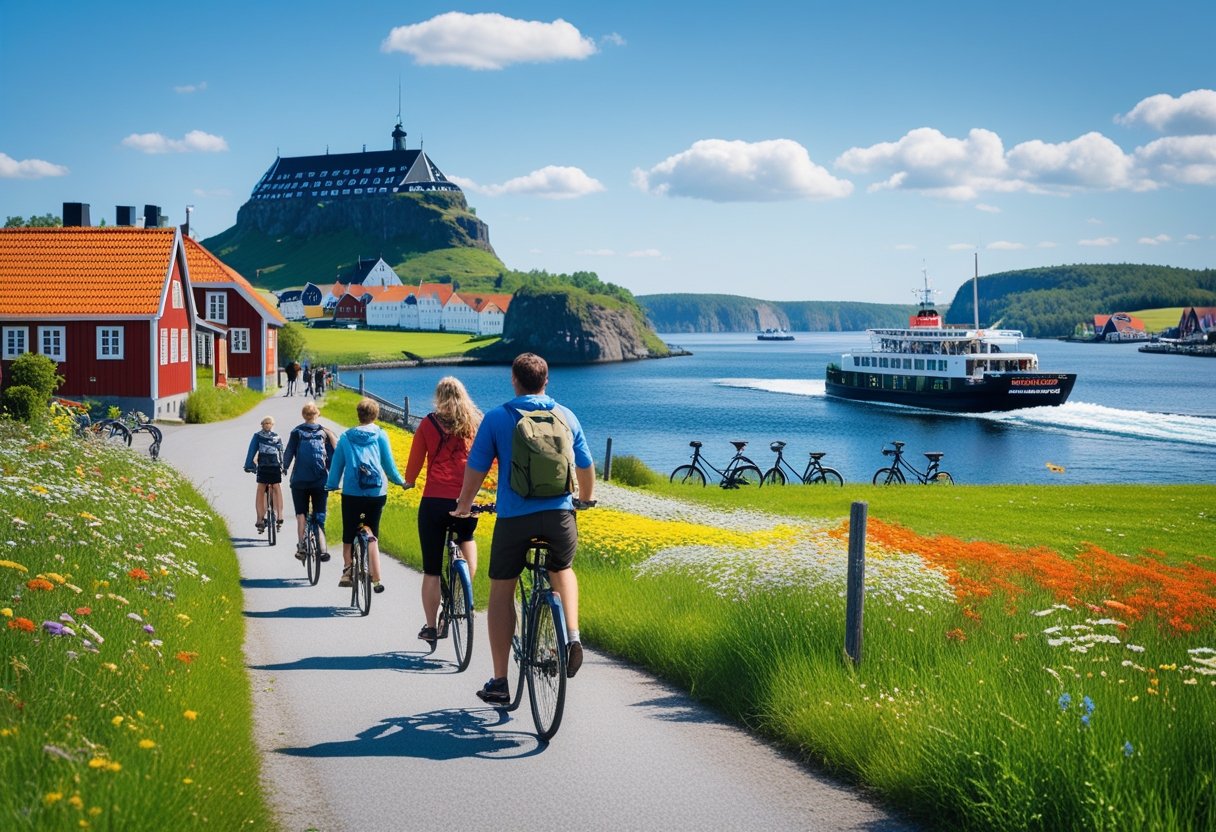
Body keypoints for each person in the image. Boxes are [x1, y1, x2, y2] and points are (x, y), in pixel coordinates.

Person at [453, 353, 595, 704]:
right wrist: (586, 500)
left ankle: (500, 681)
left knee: (501, 590)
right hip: (560, 517)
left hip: (515, 520)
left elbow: (477, 467)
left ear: (514, 380)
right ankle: (572, 635)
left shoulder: (498, 417)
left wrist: (464, 505)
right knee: (562, 568)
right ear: (546, 382)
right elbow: (585, 465)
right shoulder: (566, 415)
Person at [403, 377, 483, 647]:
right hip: (466, 499)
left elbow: (415, 459)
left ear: (438, 396)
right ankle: (464, 590)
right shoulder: (474, 423)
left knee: (432, 570)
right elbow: (487, 459)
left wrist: (410, 480)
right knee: (467, 539)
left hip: (435, 501)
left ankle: (430, 626)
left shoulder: (429, 423)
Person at [325, 398, 406, 593]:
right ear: (375, 415)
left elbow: (337, 465)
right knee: (373, 532)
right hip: (377, 492)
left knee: (349, 532)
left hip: (352, 492)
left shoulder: (345, 437)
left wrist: (331, 485)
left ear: (358, 415)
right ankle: (375, 575)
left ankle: (347, 570)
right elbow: (389, 466)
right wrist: (401, 482)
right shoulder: (380, 435)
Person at [282, 402, 338, 561]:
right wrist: (333, 476)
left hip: (299, 481)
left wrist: (284, 468)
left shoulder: (296, 432)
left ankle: (301, 546)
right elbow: (332, 456)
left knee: (301, 514)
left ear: (303, 415)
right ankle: (322, 548)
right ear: (317, 414)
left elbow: (289, 452)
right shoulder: (325, 433)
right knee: (319, 514)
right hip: (320, 481)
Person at [243, 415, 285, 535]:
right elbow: (252, 450)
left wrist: (248, 465)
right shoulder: (268, 436)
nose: (267, 425)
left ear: (272, 425)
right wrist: (283, 466)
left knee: (268, 488)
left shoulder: (266, 436)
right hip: (269, 466)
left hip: (268, 466)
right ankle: (269, 516)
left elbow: (280, 451)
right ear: (262, 425)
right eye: (265, 423)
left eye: (269, 423)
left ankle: (269, 517)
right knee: (269, 487)